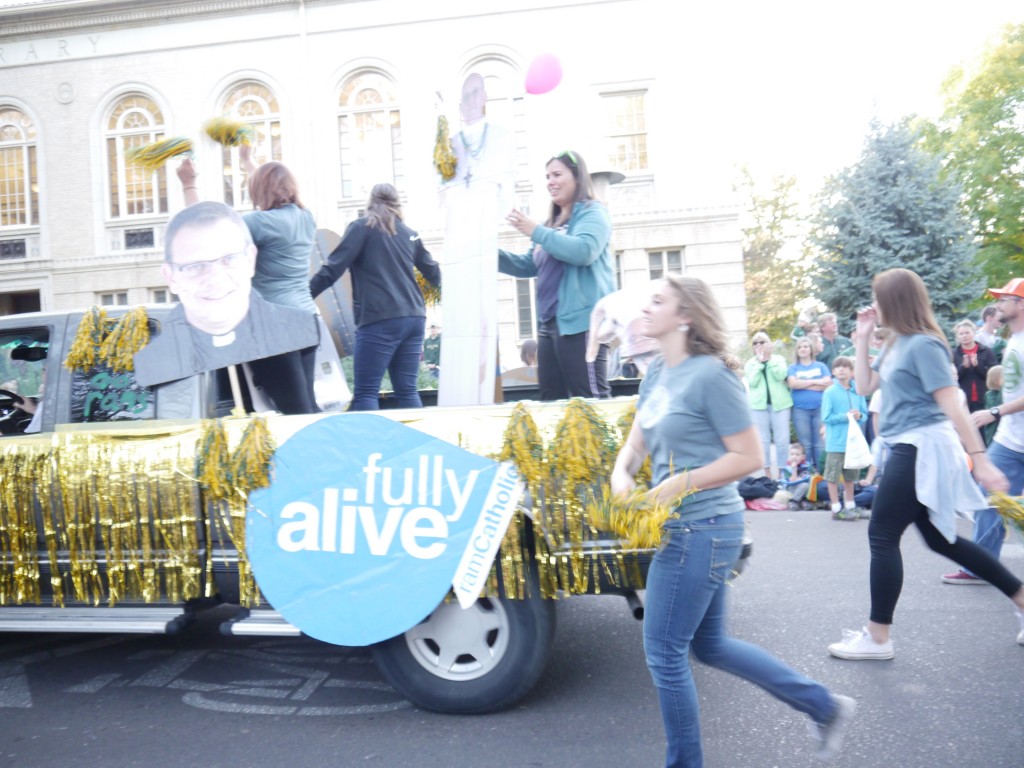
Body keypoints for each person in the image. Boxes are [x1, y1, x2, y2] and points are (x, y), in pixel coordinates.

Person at [610, 274, 855, 767]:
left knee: (663, 652)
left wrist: (679, 484)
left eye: (658, 301)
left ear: (685, 316)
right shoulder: (658, 371)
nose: (647, 308)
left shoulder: (711, 375)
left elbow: (749, 457)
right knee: (711, 646)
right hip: (684, 527)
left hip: (701, 528)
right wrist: (622, 475)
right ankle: (823, 707)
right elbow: (637, 442)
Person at [827, 268, 1024, 660]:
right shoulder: (897, 342)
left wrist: (980, 459)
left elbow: (953, 402)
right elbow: (865, 387)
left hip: (922, 446)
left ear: (895, 300)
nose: (874, 304)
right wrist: (864, 337)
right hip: (908, 445)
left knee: (883, 535)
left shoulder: (925, 345)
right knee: (941, 539)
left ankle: (878, 637)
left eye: (878, 298)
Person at [133, 201, 320, 388]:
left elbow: (300, 414)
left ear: (251, 259)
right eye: (196, 266)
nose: (215, 278)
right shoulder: (155, 362)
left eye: (229, 259)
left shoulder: (284, 332)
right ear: (171, 277)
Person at [309, 183, 441, 411]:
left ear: (370, 203)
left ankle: (365, 446)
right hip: (414, 318)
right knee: (407, 390)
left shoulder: (361, 228)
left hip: (380, 319)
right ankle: (418, 443)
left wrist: (304, 296)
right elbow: (434, 273)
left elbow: (332, 269)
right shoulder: (410, 234)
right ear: (397, 204)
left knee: (366, 393)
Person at [499, 150, 615, 400]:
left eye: (557, 174)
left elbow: (584, 251)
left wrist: (535, 231)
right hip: (550, 326)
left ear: (577, 177)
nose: (550, 181)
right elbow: (528, 265)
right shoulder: (551, 224)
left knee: (591, 403)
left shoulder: (594, 213)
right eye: (547, 176)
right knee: (552, 401)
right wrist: (490, 255)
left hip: (583, 324)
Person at [437, 72, 515, 406]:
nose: (469, 100)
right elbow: (441, 190)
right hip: (458, 232)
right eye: (464, 95)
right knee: (458, 315)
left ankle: (482, 393)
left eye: (475, 93)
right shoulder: (449, 142)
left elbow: (505, 193)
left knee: (483, 314)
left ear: (484, 97)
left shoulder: (500, 136)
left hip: (483, 228)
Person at [948, 278, 1024, 594]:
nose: (998, 304)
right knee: (989, 498)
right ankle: (977, 566)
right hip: (1010, 440)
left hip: (1009, 429)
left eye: (1005, 298)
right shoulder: (1013, 340)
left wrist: (995, 412)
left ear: (1021, 304)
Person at [820, 356, 868, 520]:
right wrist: (846, 416)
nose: (841, 369)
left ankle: (850, 505)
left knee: (851, 475)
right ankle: (835, 508)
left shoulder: (858, 391)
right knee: (832, 476)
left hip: (853, 442)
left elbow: (864, 415)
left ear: (852, 372)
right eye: (838, 367)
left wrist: (859, 415)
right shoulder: (830, 392)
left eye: (845, 367)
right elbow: (826, 417)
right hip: (836, 442)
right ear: (833, 372)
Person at [743, 332, 792, 478]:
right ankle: (767, 472)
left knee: (782, 439)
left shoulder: (779, 359)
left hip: (780, 404)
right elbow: (752, 382)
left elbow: (781, 375)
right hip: (759, 406)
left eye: (762, 342)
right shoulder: (750, 363)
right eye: (755, 343)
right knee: (763, 440)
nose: (759, 345)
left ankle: (783, 471)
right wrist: (759, 363)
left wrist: (768, 361)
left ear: (769, 344)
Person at [786, 336, 831, 471]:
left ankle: (820, 472)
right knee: (805, 444)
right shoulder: (793, 367)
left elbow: (827, 384)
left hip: (819, 408)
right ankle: (807, 472)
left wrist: (803, 384)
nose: (803, 349)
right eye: (800, 347)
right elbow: (793, 384)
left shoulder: (821, 366)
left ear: (811, 349)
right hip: (801, 410)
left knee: (819, 443)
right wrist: (816, 381)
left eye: (805, 346)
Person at [952, 319, 996, 414]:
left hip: (984, 399)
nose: (964, 336)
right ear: (957, 336)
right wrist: (963, 367)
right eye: (961, 334)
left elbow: (994, 376)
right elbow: (951, 378)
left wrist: (977, 366)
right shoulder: (953, 354)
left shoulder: (986, 351)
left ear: (974, 333)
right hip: (963, 402)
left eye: (967, 333)